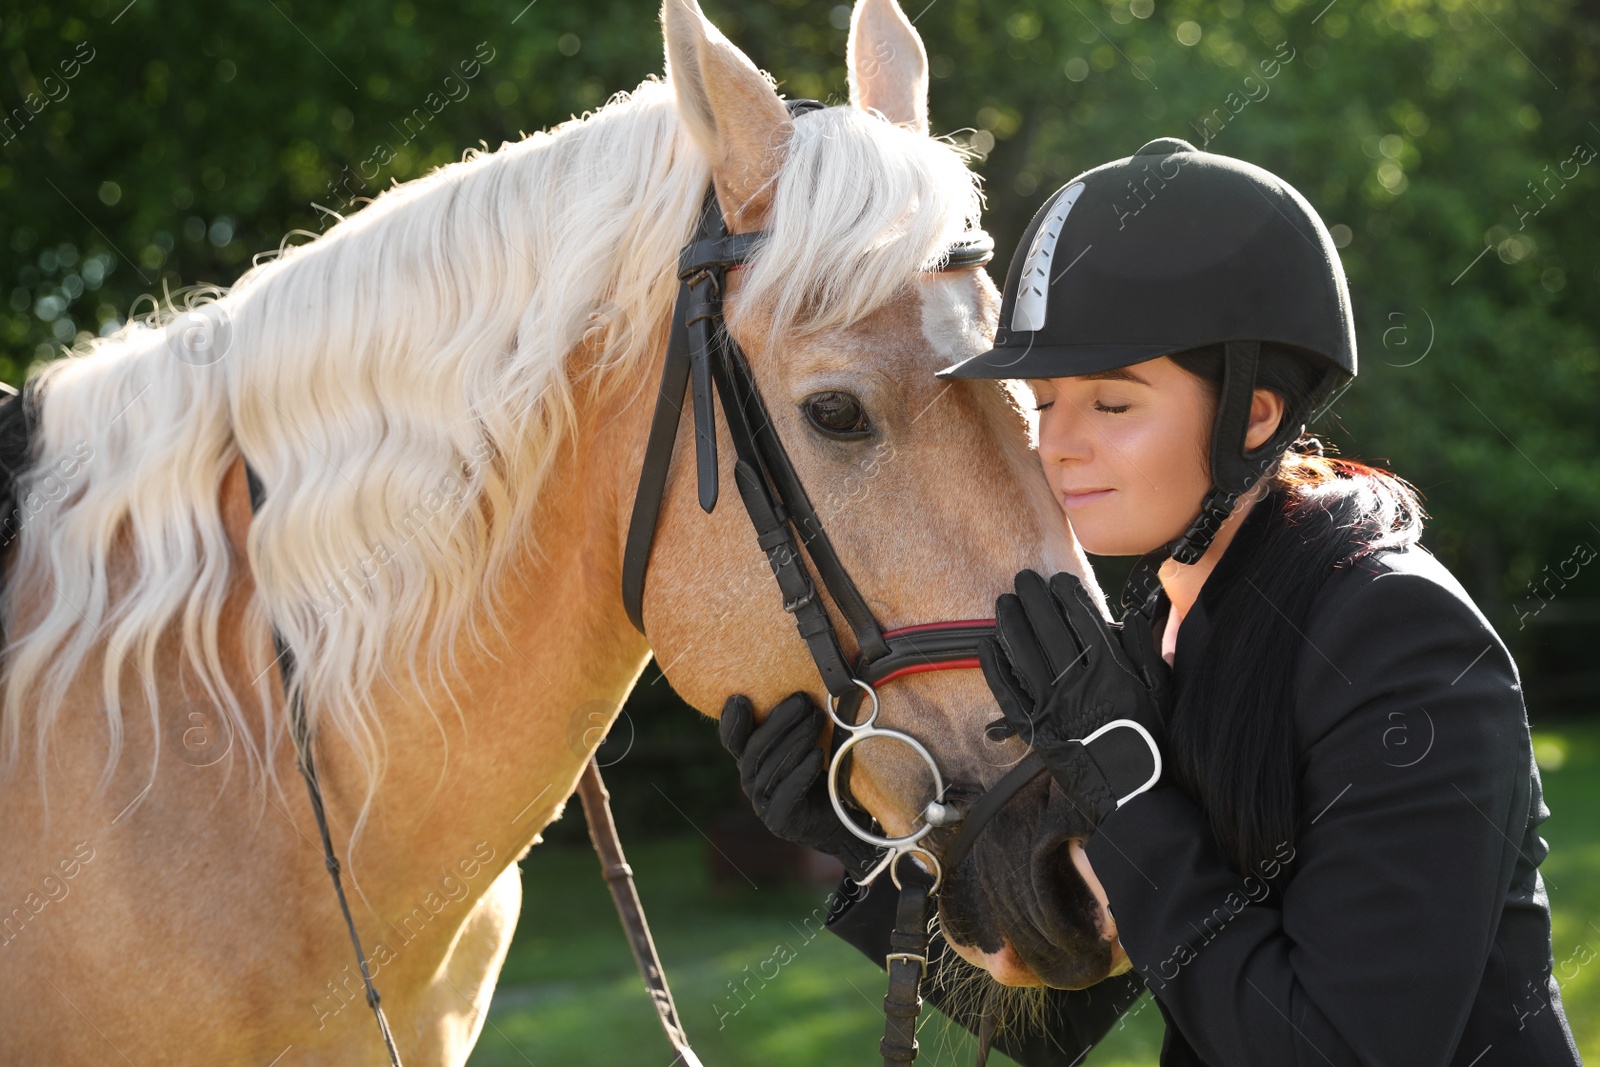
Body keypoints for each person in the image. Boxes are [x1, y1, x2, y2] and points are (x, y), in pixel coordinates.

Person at [716, 138, 1581, 1064]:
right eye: (1045, 403)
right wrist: (870, 835)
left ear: (1253, 412)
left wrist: (1124, 786)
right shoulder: (1168, 628)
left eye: (1114, 406)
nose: (1061, 447)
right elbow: (1068, 980)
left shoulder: (1399, 641)